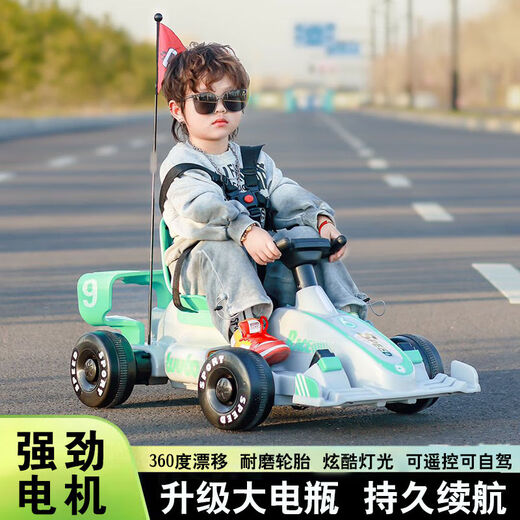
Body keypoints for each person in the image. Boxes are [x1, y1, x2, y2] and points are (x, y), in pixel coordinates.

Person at [159, 42, 367, 365]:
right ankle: (248, 329)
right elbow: (202, 207)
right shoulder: (181, 166)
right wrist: (245, 230)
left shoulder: (253, 161)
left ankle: (348, 319)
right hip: (202, 273)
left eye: (232, 100)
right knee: (221, 246)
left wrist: (320, 221)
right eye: (205, 102)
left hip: (259, 263)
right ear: (177, 110)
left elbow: (284, 192)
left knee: (306, 237)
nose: (220, 110)